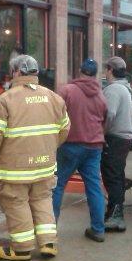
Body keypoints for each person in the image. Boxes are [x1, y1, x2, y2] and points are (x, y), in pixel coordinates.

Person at [0, 55, 70, 261]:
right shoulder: (53, 97)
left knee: (16, 202)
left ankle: (21, 249)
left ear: (16, 72)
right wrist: (48, 147)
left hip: (15, 168)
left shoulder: (6, 99)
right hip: (45, 165)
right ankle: (48, 243)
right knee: (42, 199)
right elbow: (64, 129)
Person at [52, 58, 108, 242]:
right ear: (96, 73)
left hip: (70, 145)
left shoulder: (67, 91)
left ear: (79, 70)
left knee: (57, 185)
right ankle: (98, 229)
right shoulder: (101, 96)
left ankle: (49, 229)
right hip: (94, 147)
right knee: (94, 187)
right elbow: (105, 120)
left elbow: (54, 114)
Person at [101, 56, 132, 232]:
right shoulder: (125, 88)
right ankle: (116, 211)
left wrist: (101, 133)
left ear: (110, 70)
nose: (105, 73)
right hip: (124, 138)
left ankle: (115, 216)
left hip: (114, 138)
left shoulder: (113, 89)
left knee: (111, 176)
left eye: (106, 69)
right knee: (117, 175)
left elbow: (110, 114)